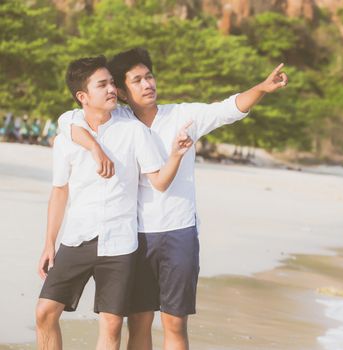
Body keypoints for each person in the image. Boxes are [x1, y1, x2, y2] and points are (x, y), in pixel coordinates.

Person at [58, 47, 288, 350]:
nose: (147, 84)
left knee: (174, 322)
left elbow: (226, 109)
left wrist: (260, 89)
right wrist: (95, 147)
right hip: (136, 236)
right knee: (139, 320)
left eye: (149, 76)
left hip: (179, 231)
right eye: (137, 80)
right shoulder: (119, 120)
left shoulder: (182, 115)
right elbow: (69, 120)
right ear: (123, 91)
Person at [36, 55, 194, 350]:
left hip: (120, 243)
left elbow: (158, 181)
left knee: (111, 325)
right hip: (78, 238)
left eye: (112, 83)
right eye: (103, 85)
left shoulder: (133, 129)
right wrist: (49, 243)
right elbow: (60, 191)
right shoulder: (68, 133)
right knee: (45, 312)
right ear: (83, 96)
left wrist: (175, 155)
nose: (112, 89)